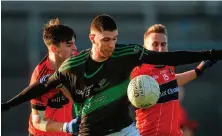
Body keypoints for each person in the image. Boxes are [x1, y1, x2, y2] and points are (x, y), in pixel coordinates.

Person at [2, 14, 222, 136]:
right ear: (93, 38)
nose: (111, 44)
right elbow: (41, 86)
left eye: (114, 38)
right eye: (106, 39)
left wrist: (210, 54)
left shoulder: (127, 54)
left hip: (125, 129)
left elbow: (172, 58)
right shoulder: (73, 66)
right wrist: (8, 105)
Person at [130, 24, 215, 136]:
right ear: (145, 48)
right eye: (155, 44)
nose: (160, 49)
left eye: (163, 44)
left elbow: (173, 80)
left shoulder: (168, 66)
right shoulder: (138, 73)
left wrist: (199, 70)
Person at [27, 18, 79, 136]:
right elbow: (38, 121)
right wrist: (66, 126)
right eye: (69, 44)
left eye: (74, 43)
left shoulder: (76, 61)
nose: (75, 48)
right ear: (54, 49)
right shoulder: (40, 77)